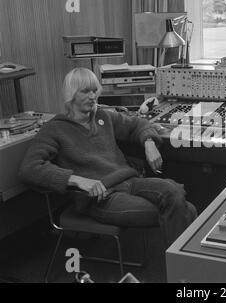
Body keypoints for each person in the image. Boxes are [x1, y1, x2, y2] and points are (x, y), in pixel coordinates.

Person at [19, 67, 197, 246]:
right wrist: (77, 180)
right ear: (71, 95)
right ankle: (181, 271)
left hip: (130, 181)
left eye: (94, 91)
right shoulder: (54, 129)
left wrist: (149, 142)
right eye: (85, 91)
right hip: (102, 198)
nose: (92, 96)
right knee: (185, 209)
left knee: (174, 193)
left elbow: (137, 124)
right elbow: (30, 169)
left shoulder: (103, 116)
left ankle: (181, 270)